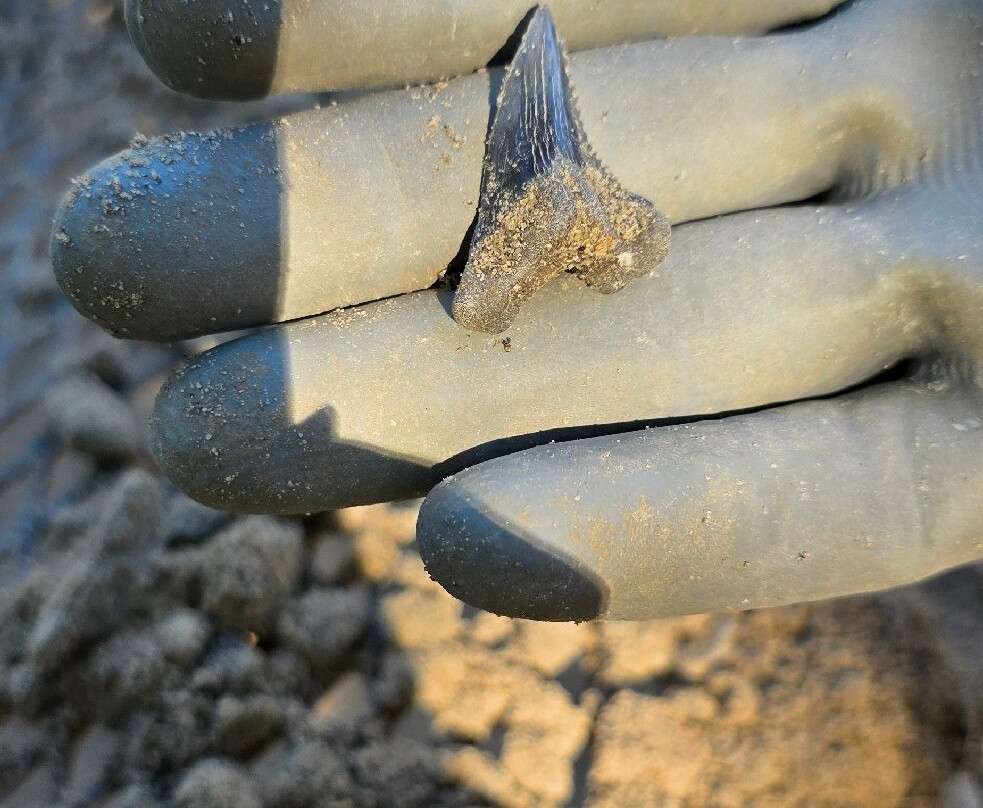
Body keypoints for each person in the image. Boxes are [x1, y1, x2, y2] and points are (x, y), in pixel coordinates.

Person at [52, 0, 981, 621]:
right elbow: (578, 264)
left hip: (575, 211)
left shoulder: (597, 227)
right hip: (564, 209)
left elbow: (611, 253)